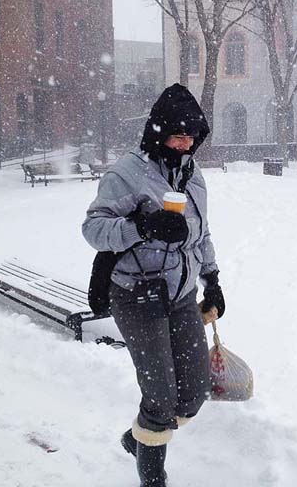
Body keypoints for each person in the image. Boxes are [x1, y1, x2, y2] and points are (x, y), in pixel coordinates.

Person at [82, 83, 226, 487]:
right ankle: (152, 476)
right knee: (161, 398)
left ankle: (138, 438)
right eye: (176, 135)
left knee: (194, 393)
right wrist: (142, 226)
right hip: (136, 294)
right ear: (157, 132)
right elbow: (94, 229)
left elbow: (202, 233)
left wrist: (212, 280)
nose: (184, 145)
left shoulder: (192, 175)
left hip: (181, 295)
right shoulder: (126, 174)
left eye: (191, 137)